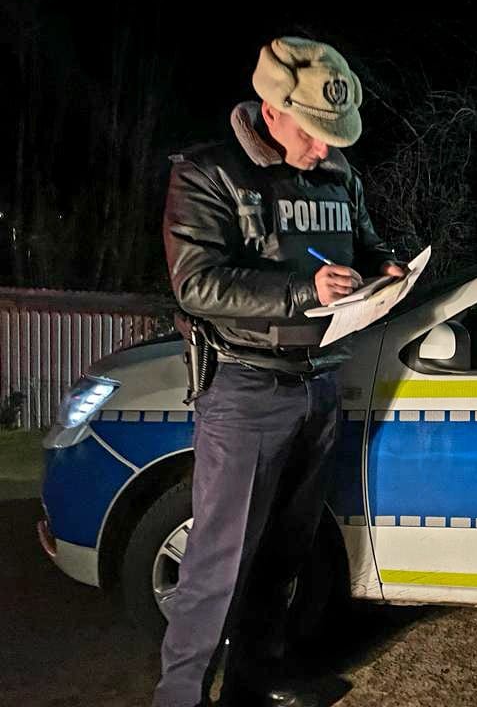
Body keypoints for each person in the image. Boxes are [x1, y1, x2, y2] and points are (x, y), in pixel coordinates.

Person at [154, 36, 406, 707]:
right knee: (218, 562)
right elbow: (196, 284)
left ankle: (256, 681)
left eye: (335, 135)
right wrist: (303, 291)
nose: (325, 148)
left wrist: (385, 266)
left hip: (318, 383)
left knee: (286, 551)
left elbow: (366, 241)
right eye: (314, 132)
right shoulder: (208, 174)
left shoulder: (338, 175)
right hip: (245, 388)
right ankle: (179, 696)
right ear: (272, 110)